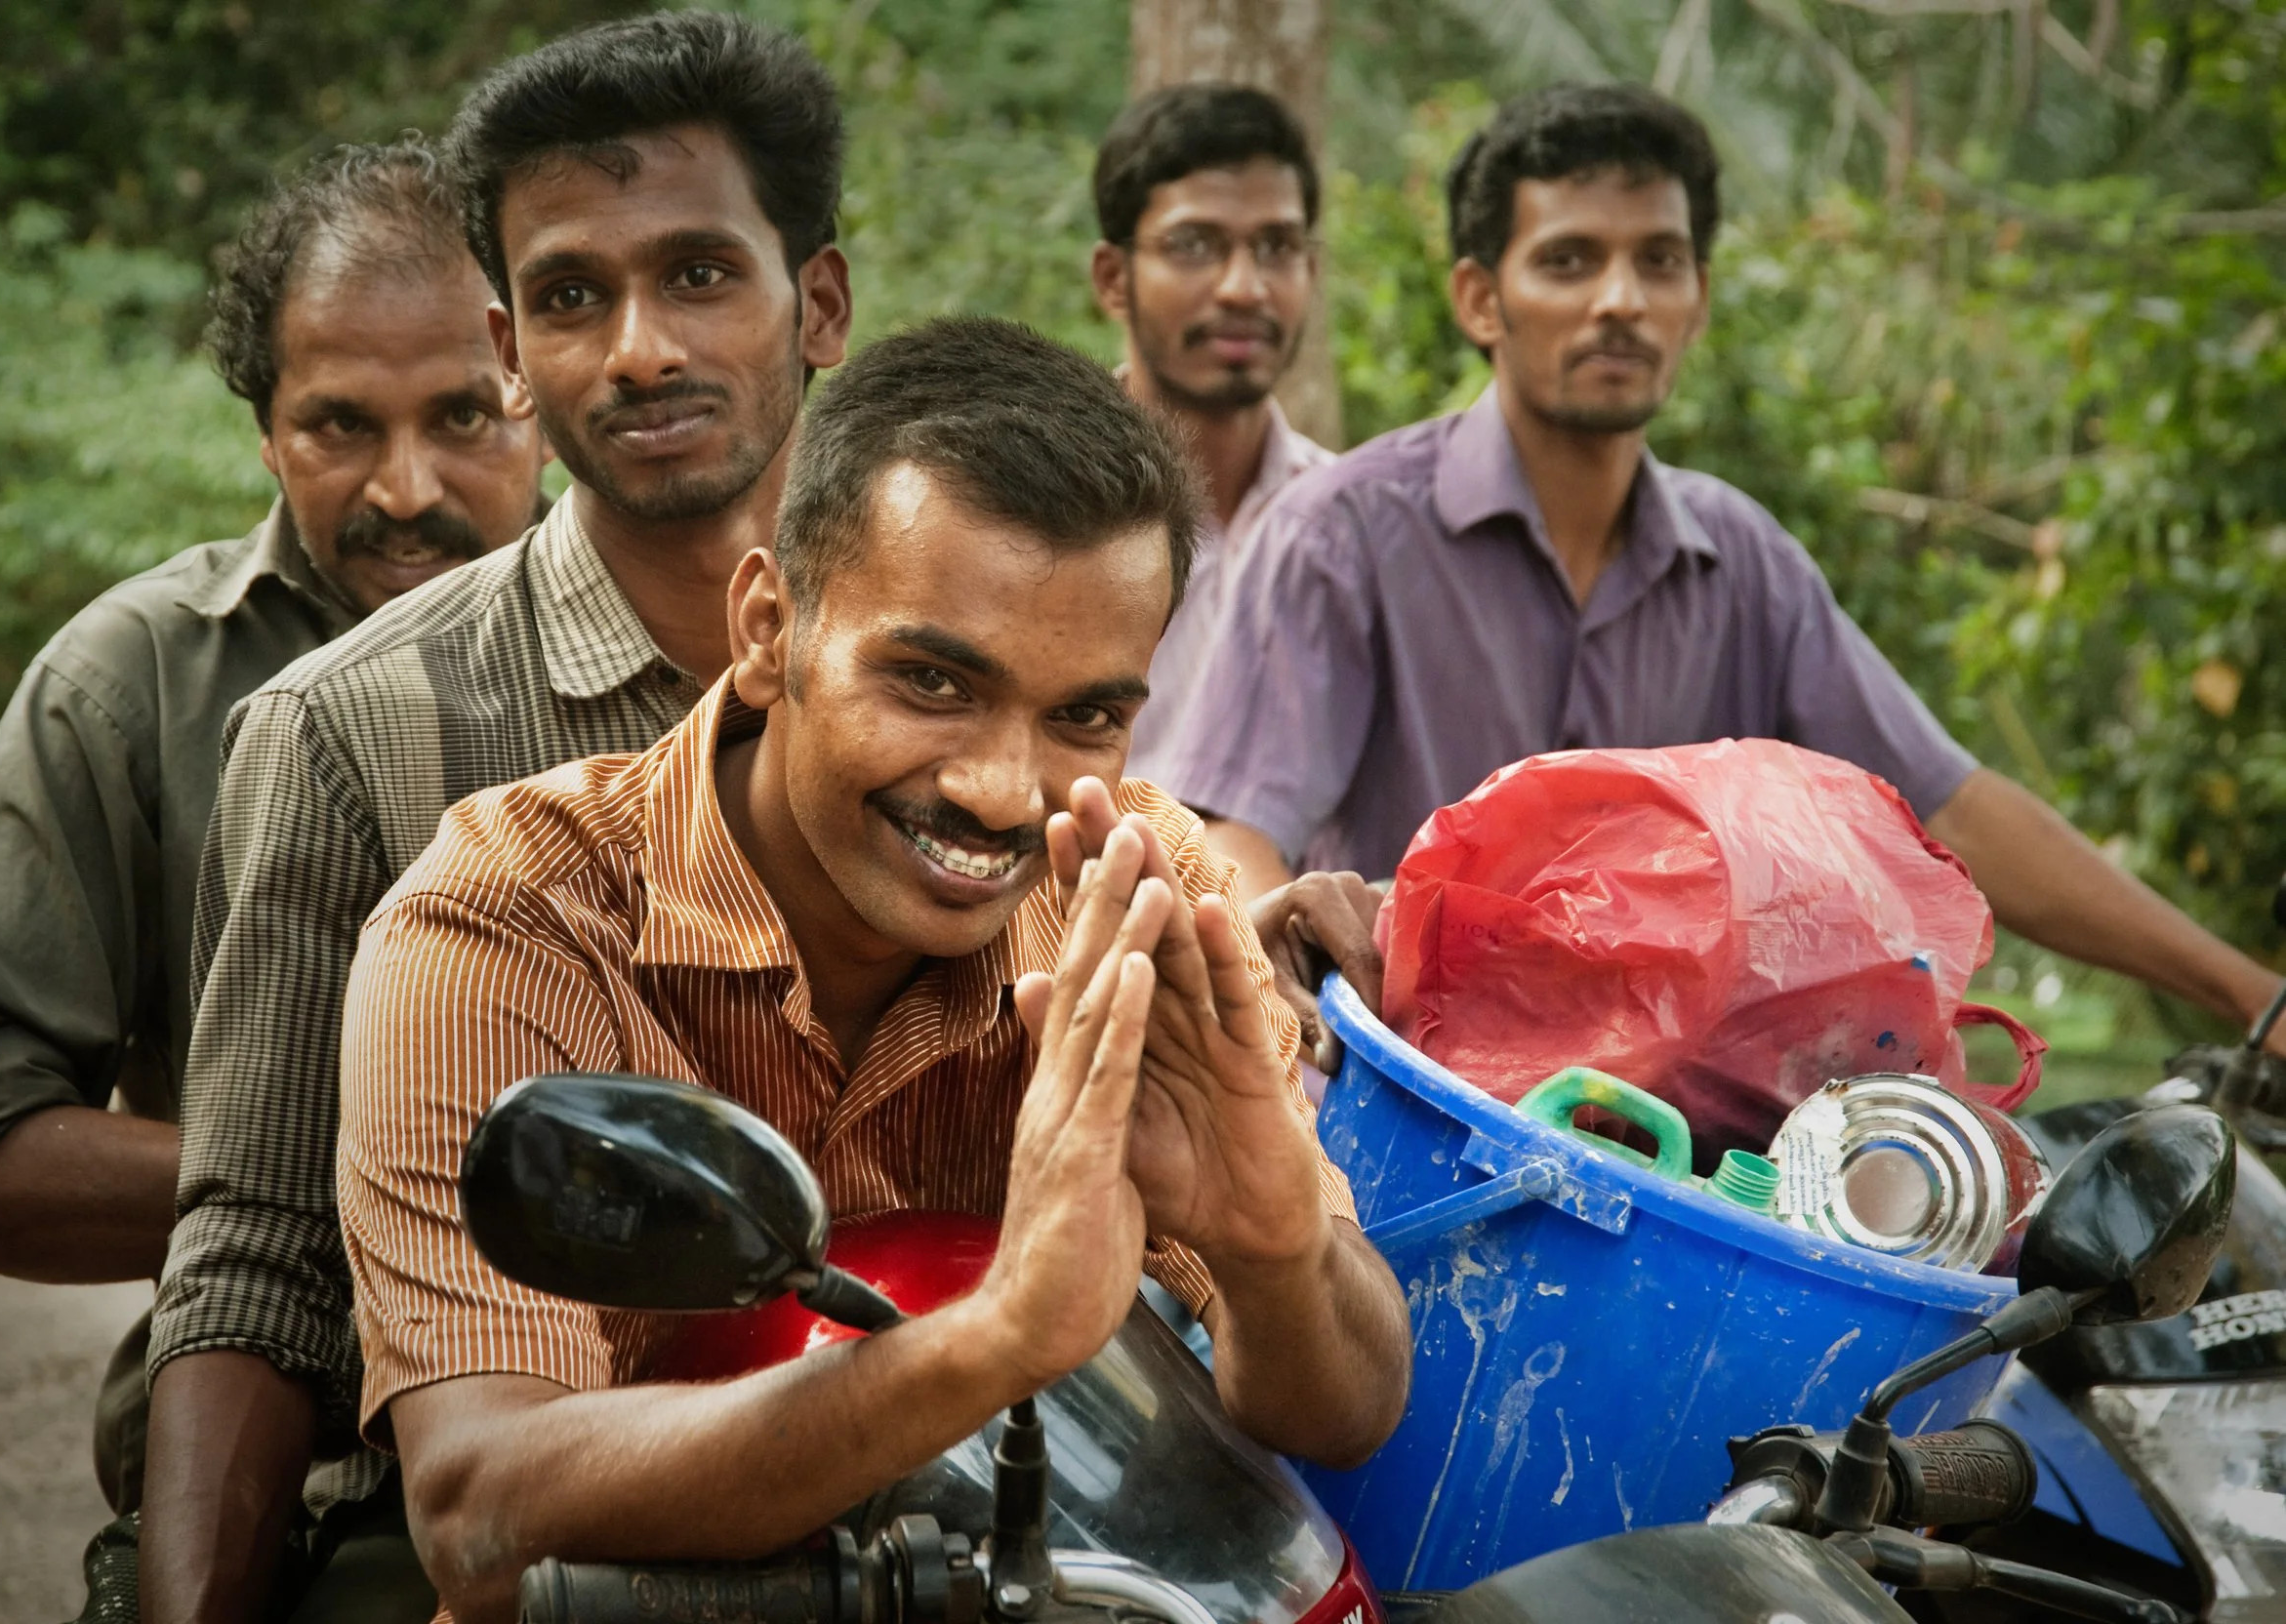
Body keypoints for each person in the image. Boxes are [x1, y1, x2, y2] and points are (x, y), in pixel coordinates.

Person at [335, 316, 1411, 1623]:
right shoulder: (508, 920)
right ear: (767, 626)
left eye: (1085, 715)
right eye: (933, 683)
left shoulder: (1129, 888)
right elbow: (477, 1511)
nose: (1005, 791)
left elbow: (1344, 1412)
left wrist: (1271, 1240)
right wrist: (992, 1341)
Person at [138, 15, 854, 1622]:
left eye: (698, 274)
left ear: (819, 302)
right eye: (572, 296)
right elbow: (254, 1264)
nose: (640, 348)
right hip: (498, 1528)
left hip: (922, 1489)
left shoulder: (951, 678)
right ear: (511, 344)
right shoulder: (347, 730)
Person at [1153, 83, 2286, 1042]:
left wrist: (2249, 993)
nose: (1619, 300)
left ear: (1697, 300)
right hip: (1401, 1108)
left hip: (1679, 1142)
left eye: (1659, 261)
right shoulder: (1345, 531)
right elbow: (1241, 826)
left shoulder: (1739, 562)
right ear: (1479, 300)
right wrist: (1284, 956)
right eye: (1568, 261)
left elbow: (1952, 807)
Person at [0, 136, 543, 1614]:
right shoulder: (134, 684)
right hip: (278, 1472)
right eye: (339, 424)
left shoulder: (706, 658)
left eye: (465, 416)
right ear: (264, 431)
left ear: (537, 387)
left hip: (650, 1452)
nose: (407, 486)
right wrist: (358, 1186)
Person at [1090, 83, 1334, 774]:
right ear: (1114, 278)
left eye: (1277, 246)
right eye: (1195, 245)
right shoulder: (1038, 517)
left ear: (1310, 272)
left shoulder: (1351, 525)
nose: (1243, 288)